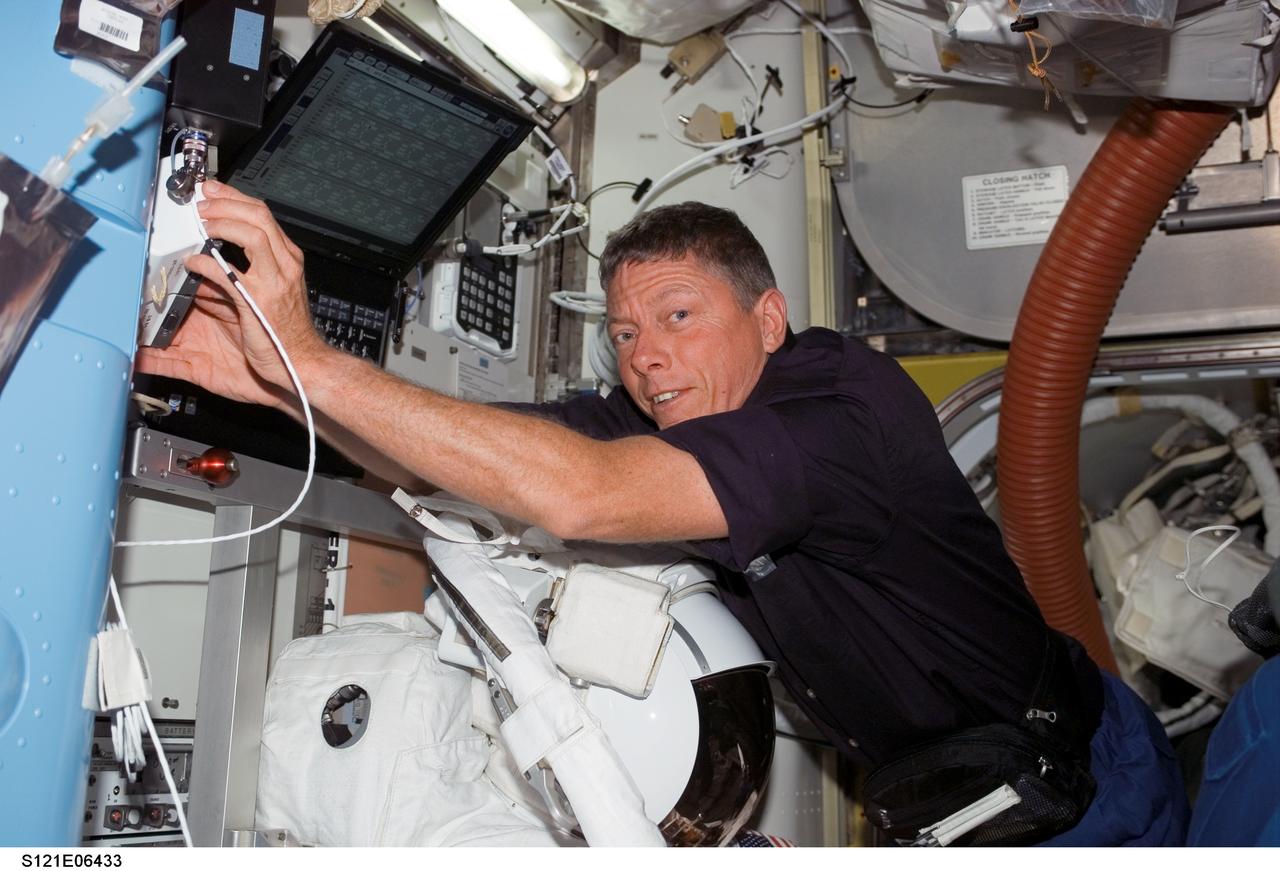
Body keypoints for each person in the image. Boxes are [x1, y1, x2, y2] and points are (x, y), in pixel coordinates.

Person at [141, 181, 1188, 845]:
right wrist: (272, 379)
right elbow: (467, 454)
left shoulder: (831, 416)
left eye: (679, 317)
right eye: (629, 332)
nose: (646, 356)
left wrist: (315, 358)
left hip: (1078, 794)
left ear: (766, 318)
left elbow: (578, 493)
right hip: (942, 785)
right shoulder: (672, 407)